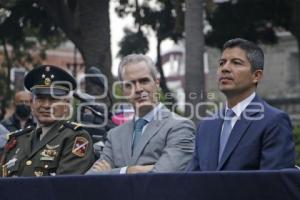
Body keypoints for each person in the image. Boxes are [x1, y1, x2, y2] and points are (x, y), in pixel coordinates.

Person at [187, 38, 296, 171]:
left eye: (236, 63)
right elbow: (192, 181)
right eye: (222, 63)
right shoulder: (205, 126)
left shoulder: (274, 122)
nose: (225, 68)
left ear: (256, 76)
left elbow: (273, 184)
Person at [86, 54, 195, 174]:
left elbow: (164, 174)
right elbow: (91, 177)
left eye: (144, 81)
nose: (138, 89)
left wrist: (115, 172)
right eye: (130, 84)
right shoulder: (114, 136)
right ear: (123, 91)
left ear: (157, 84)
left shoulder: (180, 127)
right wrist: (132, 170)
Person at [0, 65, 95, 177]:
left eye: (53, 99)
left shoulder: (75, 138)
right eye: (40, 98)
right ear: (32, 103)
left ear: (66, 105)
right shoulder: (17, 139)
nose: (46, 105)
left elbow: (66, 187)